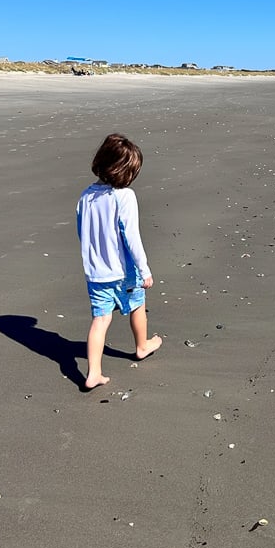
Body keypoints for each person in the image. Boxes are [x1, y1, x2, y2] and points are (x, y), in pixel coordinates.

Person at [76, 133, 162, 389]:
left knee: (100, 320)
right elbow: (131, 236)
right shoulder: (124, 196)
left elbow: (83, 232)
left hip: (96, 272)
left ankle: (93, 373)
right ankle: (142, 346)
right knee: (137, 305)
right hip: (123, 270)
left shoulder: (85, 196)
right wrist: (144, 269)